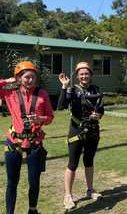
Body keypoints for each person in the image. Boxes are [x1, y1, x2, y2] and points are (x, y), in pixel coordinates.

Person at [1, 61, 54, 214]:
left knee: (34, 181)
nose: (30, 80)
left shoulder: (42, 94)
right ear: (18, 78)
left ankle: (32, 210)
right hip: (14, 142)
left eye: (33, 77)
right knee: (12, 182)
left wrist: (40, 119)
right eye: (26, 77)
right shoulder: (9, 91)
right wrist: (6, 81)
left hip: (35, 142)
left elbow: (50, 117)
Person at [58, 62, 104, 210]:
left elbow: (102, 109)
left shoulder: (96, 89)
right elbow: (61, 105)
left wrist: (99, 115)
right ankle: (68, 195)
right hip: (76, 131)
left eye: (87, 73)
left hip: (92, 131)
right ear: (77, 76)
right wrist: (64, 87)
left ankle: (90, 190)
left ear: (91, 75)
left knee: (89, 161)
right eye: (81, 74)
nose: (84, 76)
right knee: (73, 163)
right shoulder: (72, 90)